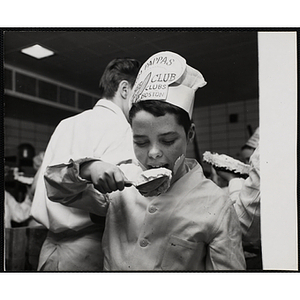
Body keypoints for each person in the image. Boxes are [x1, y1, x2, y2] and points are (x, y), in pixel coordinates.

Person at [44, 51, 246, 271]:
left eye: (167, 140)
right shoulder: (122, 186)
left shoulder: (216, 203)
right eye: (140, 142)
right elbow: (57, 190)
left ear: (190, 135)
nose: (153, 153)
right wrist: (88, 168)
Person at [30, 58, 140, 271]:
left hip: (49, 250)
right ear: (125, 89)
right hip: (88, 251)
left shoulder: (67, 123)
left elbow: (38, 186)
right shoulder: (124, 131)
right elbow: (120, 204)